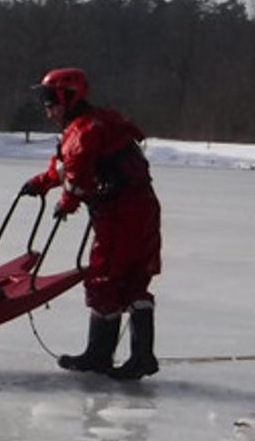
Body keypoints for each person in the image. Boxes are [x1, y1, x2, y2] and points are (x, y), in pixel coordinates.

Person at [19, 67, 164, 380]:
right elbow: (69, 168)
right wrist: (40, 183)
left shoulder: (83, 132)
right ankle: (130, 356)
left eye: (49, 99)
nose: (46, 108)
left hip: (121, 214)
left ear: (67, 97)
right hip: (142, 209)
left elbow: (77, 177)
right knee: (129, 280)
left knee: (106, 277)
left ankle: (108, 355)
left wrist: (64, 204)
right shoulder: (97, 123)